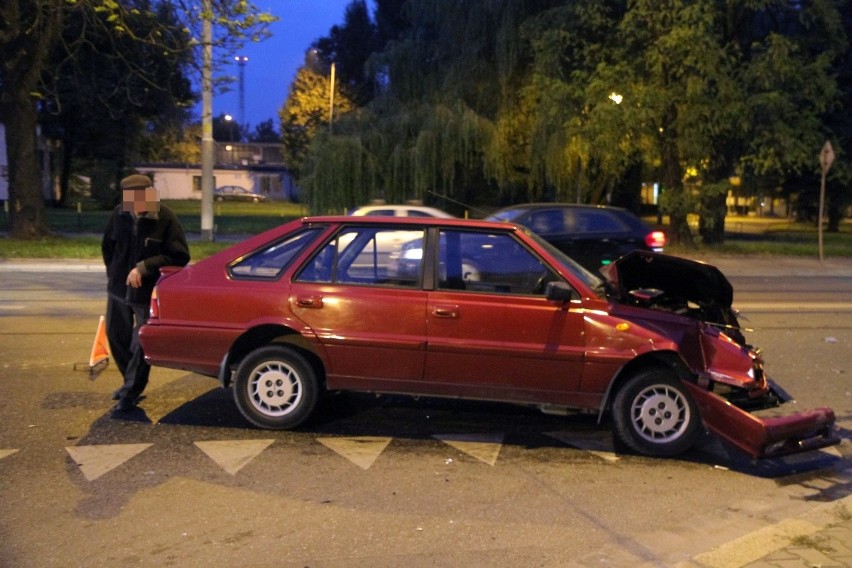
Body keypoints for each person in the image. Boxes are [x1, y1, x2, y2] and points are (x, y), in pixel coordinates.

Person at [101, 174, 190, 412]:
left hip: (146, 292)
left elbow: (179, 256)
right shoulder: (119, 214)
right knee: (115, 335)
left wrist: (143, 267)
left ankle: (131, 391)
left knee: (140, 341)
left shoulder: (165, 217)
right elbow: (108, 247)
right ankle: (127, 381)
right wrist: (115, 275)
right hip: (118, 289)